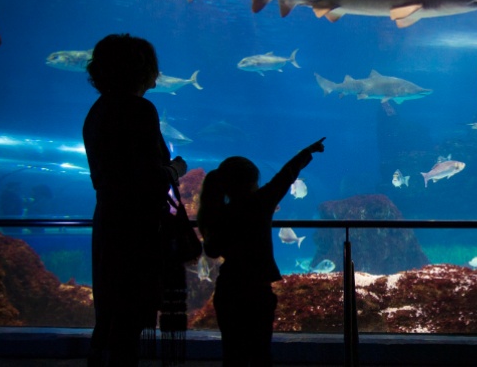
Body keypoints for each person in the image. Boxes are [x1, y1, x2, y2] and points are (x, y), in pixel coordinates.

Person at [82, 33, 189, 366]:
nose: (157, 73)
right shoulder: (138, 109)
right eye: (152, 65)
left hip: (109, 220)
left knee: (110, 314)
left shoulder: (98, 110)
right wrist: (175, 169)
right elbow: (147, 176)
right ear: (140, 69)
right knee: (129, 317)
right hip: (136, 228)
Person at [197, 138, 326, 366]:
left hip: (229, 287)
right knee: (260, 353)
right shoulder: (259, 203)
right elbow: (285, 176)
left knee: (232, 353)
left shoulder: (218, 212)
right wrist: (307, 151)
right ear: (253, 181)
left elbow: (212, 249)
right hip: (256, 288)